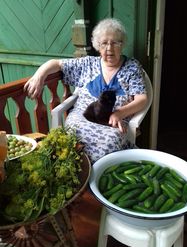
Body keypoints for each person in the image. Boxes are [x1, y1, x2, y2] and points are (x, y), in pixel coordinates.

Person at [24, 18, 147, 163]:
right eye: (104, 43)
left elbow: (141, 99)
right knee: (69, 138)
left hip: (113, 121)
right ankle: (77, 174)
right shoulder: (88, 63)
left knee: (110, 143)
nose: (109, 48)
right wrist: (39, 76)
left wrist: (120, 113)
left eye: (115, 42)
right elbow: (56, 64)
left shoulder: (132, 67)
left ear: (122, 44)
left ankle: (97, 176)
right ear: (97, 46)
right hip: (82, 117)